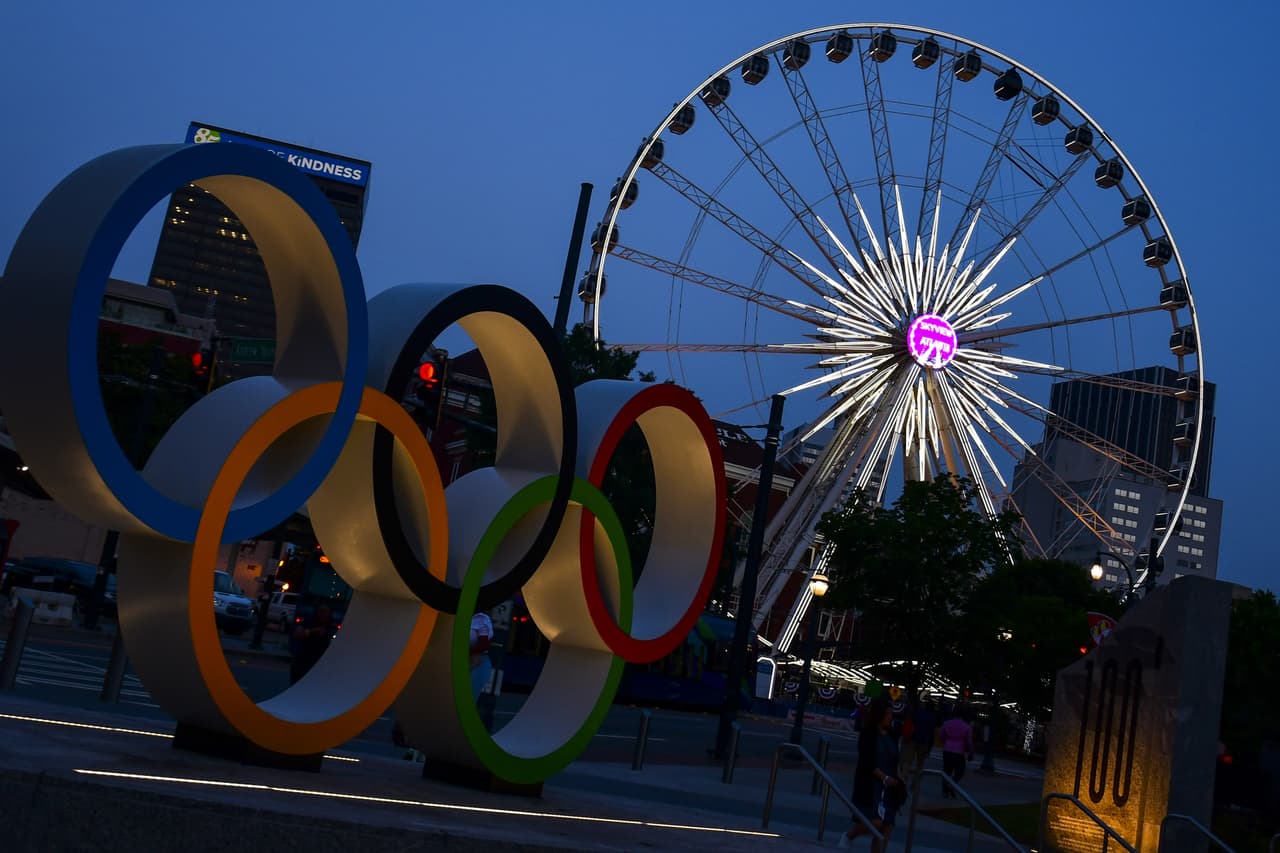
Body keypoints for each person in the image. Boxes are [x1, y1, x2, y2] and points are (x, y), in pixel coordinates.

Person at [839, 696, 903, 850]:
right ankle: (850, 835)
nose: (890, 716)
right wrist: (885, 777)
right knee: (875, 822)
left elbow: (895, 758)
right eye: (887, 713)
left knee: (886, 827)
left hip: (889, 787)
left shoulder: (891, 734)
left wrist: (898, 777)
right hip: (872, 784)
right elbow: (867, 762)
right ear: (879, 714)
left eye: (891, 713)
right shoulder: (868, 734)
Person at [898, 699, 938, 793]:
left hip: (912, 739)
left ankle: (903, 779)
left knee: (907, 761)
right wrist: (929, 748)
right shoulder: (933, 717)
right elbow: (931, 734)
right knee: (919, 765)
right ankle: (915, 783)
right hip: (924, 742)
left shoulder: (918, 712)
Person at [289, 604, 332, 684]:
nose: (324, 614)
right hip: (303, 663)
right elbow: (297, 634)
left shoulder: (331, 627)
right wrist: (313, 631)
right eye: (321, 612)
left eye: (326, 612)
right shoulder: (308, 623)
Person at [939, 706, 975, 798]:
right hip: (959, 751)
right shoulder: (966, 727)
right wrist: (971, 752)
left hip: (947, 749)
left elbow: (941, 735)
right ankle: (952, 784)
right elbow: (969, 741)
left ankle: (945, 790)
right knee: (960, 771)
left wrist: (945, 742)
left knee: (947, 770)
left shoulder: (947, 723)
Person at [469, 609, 494, 699]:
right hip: (459, 659)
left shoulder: (480, 618)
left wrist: (474, 654)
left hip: (477, 662)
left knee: (468, 696)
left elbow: (483, 643)